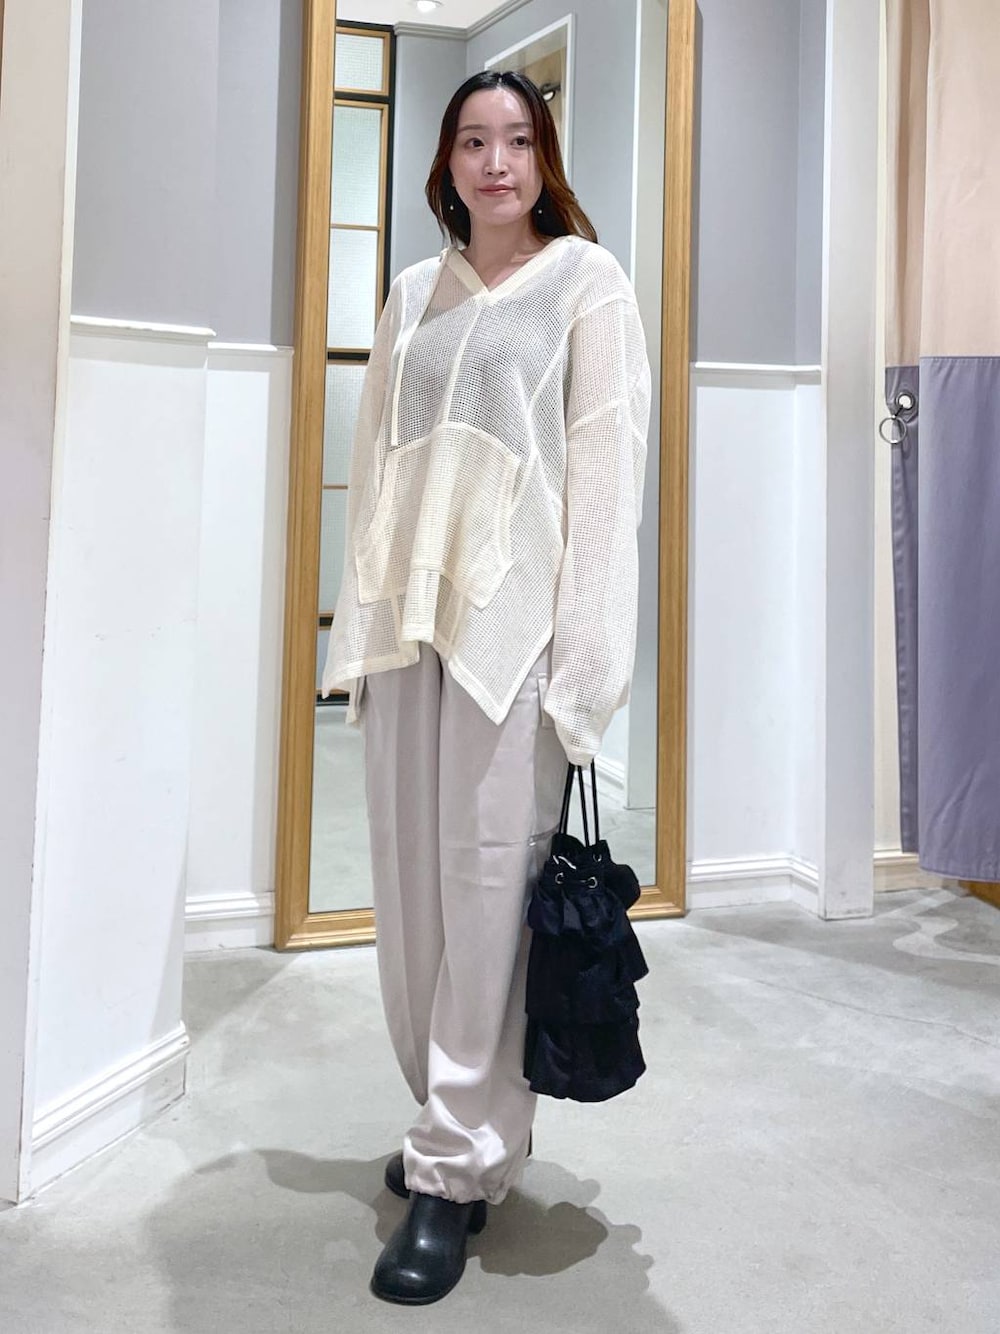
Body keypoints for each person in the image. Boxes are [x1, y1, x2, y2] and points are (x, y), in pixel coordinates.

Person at [322, 69, 651, 1305]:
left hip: (513, 645)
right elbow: (377, 465)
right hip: (408, 628)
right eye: (473, 140)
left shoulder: (586, 282)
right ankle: (448, 1120)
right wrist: (360, 627)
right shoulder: (413, 290)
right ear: (447, 162)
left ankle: (456, 1166)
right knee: (413, 900)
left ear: (544, 156)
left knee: (484, 901)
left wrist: (585, 672)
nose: (496, 161)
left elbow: (608, 481)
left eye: (517, 139)